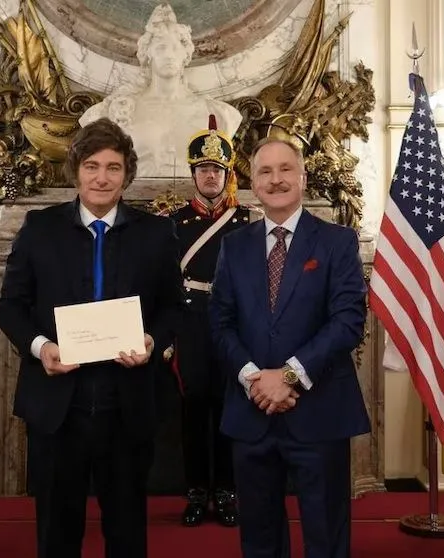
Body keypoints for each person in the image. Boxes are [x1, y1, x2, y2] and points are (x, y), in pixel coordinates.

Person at [0, 117, 182, 558]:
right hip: (58, 406)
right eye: (92, 166)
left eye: (113, 167)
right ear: (76, 170)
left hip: (127, 405)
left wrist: (151, 340)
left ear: (126, 174)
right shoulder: (39, 228)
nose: (102, 178)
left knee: (127, 533)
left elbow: (174, 307)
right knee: (57, 535)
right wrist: (42, 348)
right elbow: (10, 306)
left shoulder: (156, 233)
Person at [209, 137, 370, 558]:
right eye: (265, 171)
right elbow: (220, 323)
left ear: (302, 177)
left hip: (319, 412)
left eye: (285, 169)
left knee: (326, 537)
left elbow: (348, 321)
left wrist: (290, 375)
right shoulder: (234, 246)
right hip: (251, 412)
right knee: (259, 538)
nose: (275, 179)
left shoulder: (337, 241)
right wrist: (254, 379)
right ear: (252, 182)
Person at [167, 115, 252, 527]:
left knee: (228, 406)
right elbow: (164, 281)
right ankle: (197, 491)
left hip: (232, 323)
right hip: (191, 322)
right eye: (203, 169)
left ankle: (227, 491)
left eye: (217, 169)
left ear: (227, 174)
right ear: (193, 175)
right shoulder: (173, 223)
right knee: (194, 408)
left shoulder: (247, 222)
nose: (210, 176)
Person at [78, 4, 241, 178]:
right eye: (161, 48)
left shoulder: (218, 113)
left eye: (175, 48)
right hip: (131, 194)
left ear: (186, 55)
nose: (169, 55)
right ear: (147, 54)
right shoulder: (115, 110)